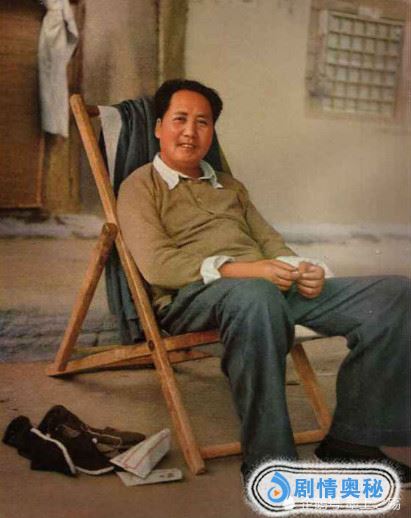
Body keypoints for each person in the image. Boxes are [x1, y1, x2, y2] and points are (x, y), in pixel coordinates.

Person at [117, 79, 411, 483]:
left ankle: (352, 441)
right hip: (193, 297)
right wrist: (248, 271)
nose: (190, 132)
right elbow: (159, 265)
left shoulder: (230, 187)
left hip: (265, 289)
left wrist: (302, 269)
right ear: (158, 127)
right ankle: (269, 459)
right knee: (256, 295)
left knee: (395, 294)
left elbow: (270, 243)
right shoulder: (139, 187)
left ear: (212, 131)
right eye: (179, 119)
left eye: (202, 122)